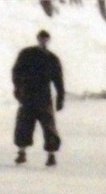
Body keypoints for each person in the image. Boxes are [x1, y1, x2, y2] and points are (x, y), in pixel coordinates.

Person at [11, 30, 65, 167]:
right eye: (41, 38)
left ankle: (51, 155)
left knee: (49, 127)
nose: (43, 41)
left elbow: (58, 80)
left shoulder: (52, 58)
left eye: (45, 39)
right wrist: (17, 89)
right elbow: (16, 71)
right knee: (24, 125)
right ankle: (21, 153)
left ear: (48, 40)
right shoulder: (26, 54)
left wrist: (60, 97)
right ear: (38, 39)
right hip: (27, 95)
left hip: (44, 97)